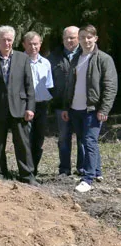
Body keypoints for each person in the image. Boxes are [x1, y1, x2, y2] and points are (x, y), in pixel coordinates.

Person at [62, 25, 118, 193]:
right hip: (75, 108)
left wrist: (104, 109)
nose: (86, 40)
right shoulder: (76, 58)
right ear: (79, 39)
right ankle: (97, 171)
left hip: (92, 109)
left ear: (95, 38)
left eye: (89, 37)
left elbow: (110, 86)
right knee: (84, 140)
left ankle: (88, 178)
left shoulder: (103, 59)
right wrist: (66, 107)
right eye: (82, 37)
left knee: (89, 140)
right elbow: (69, 85)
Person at [0, 26, 37, 185]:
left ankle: (27, 175)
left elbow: (29, 86)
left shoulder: (22, 58)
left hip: (19, 108)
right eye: (3, 39)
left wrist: (30, 107)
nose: (7, 43)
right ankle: (0, 172)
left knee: (23, 144)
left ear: (13, 41)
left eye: (9, 40)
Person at [49, 26, 82, 176]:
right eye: (66, 38)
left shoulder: (86, 55)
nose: (69, 41)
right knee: (63, 138)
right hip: (61, 106)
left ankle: (82, 168)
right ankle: (64, 169)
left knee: (82, 139)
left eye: (72, 37)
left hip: (81, 105)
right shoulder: (54, 56)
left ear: (79, 38)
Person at [23, 31, 54, 176]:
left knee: (39, 138)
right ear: (24, 45)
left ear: (40, 45)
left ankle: (34, 169)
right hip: (25, 106)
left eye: (35, 44)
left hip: (41, 105)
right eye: (29, 44)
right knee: (26, 138)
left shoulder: (46, 63)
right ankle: (25, 170)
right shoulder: (19, 61)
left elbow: (48, 85)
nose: (33, 47)